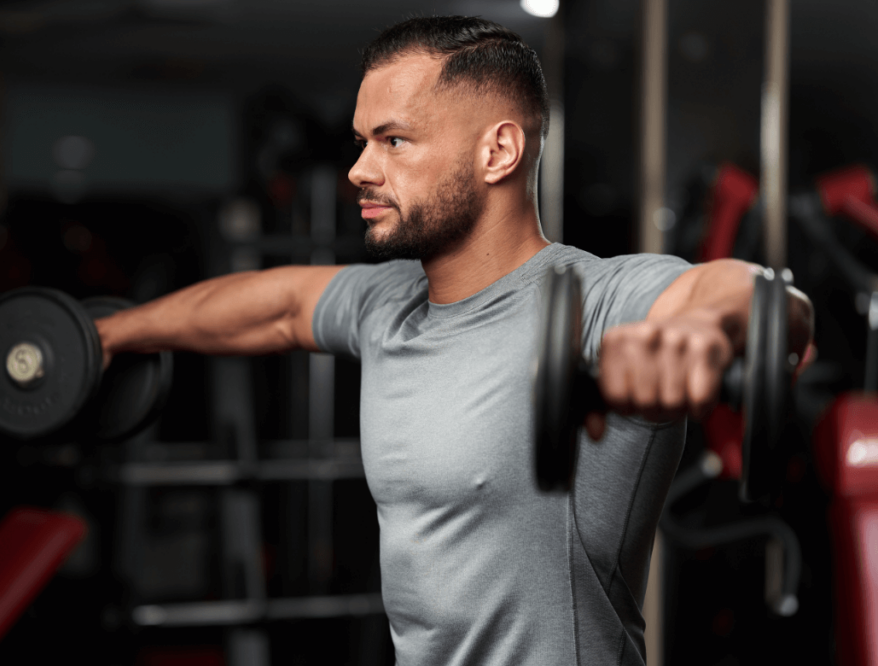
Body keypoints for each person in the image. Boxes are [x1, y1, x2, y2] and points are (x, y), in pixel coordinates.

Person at [96, 16, 813, 666]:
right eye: (362, 142)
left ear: (497, 151)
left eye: (394, 141)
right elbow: (278, 306)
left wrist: (699, 332)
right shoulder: (386, 305)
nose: (359, 170)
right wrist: (106, 336)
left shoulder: (591, 303)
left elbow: (745, 294)